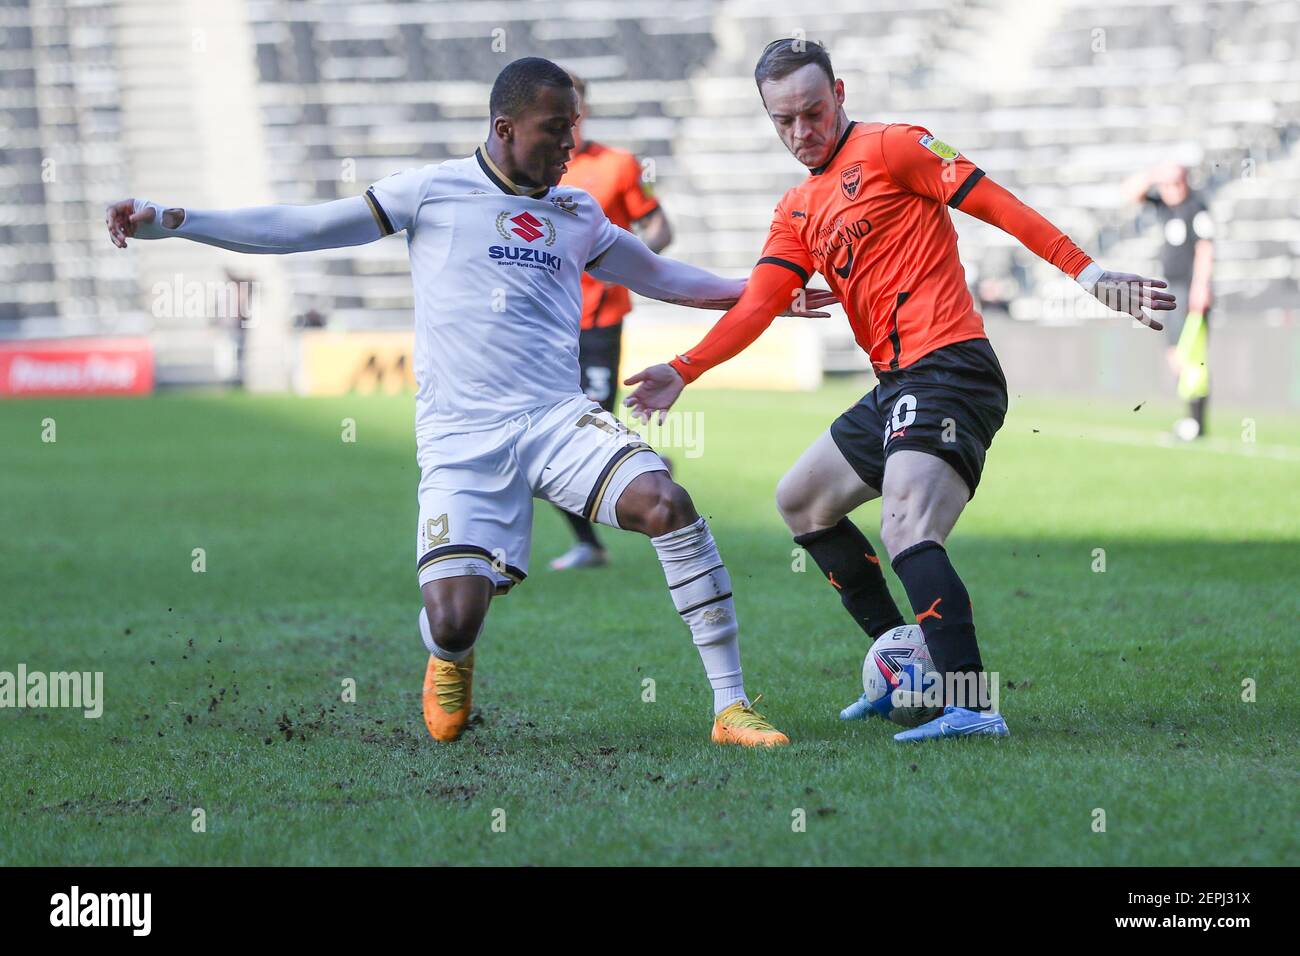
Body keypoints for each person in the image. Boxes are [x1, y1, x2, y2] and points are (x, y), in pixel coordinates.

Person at [106, 57, 836, 747]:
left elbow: (661, 276)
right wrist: (179, 220)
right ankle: (451, 657)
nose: (570, 146)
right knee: (454, 619)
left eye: (574, 129)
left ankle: (729, 705)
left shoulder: (577, 211)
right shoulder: (430, 191)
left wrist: (764, 295)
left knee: (666, 503)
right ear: (505, 128)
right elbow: (306, 229)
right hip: (461, 436)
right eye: (556, 131)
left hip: (558, 418)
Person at [624, 39, 1176, 742]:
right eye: (783, 121)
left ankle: (973, 705)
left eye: (813, 112)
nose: (802, 132)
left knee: (907, 524)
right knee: (801, 500)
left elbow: (998, 204)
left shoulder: (898, 147)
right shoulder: (796, 209)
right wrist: (685, 366)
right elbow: (760, 303)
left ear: (841, 94)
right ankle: (905, 666)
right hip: (899, 383)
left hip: (951, 367)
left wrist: (1090, 274)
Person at [548, 71, 674, 571]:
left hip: (598, 321)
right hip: (544, 324)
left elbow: (659, 223)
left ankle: (645, 477)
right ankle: (589, 541)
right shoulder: (530, 171)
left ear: (585, 112)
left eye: (573, 112)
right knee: (549, 429)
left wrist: (633, 265)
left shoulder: (619, 167)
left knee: (590, 424)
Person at [1123, 163, 1214, 439]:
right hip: (1171, 288)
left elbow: (1205, 247)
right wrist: (1152, 174)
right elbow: (1129, 193)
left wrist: (1201, 286)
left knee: (1190, 355)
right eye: (1166, 184)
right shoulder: (1164, 204)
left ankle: (1195, 423)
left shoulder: (1196, 207)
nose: (1171, 189)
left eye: (1175, 183)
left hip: (1189, 288)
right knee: (1175, 354)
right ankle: (1192, 421)